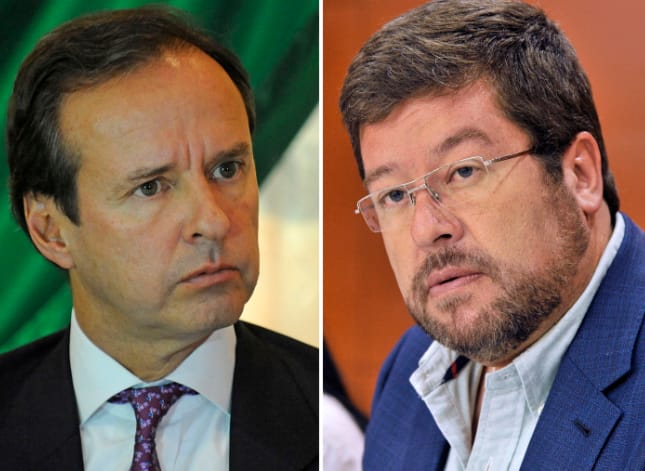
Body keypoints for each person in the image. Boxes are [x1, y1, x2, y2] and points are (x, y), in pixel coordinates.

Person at [0, 6, 317, 470]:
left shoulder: (333, 424)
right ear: (51, 231)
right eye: (151, 187)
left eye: (227, 169)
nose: (213, 221)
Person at [339, 0, 644, 469]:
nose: (426, 230)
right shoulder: (408, 370)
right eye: (395, 195)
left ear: (579, 174)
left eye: (464, 171)